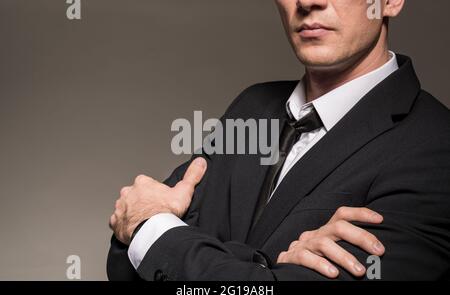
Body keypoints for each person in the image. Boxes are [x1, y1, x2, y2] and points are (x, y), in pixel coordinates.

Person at [107, 0, 450, 280]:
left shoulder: (436, 147)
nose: (307, 2)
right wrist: (264, 270)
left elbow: (147, 238)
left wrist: (152, 228)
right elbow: (124, 261)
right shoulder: (252, 107)